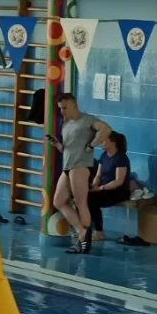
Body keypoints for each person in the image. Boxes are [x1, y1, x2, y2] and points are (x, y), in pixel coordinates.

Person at [50, 93, 112, 254]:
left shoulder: (88, 120)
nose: (62, 111)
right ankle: (81, 230)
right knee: (58, 201)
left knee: (80, 202)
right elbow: (66, 147)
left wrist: (92, 145)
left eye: (64, 108)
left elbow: (106, 129)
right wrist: (57, 145)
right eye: (60, 108)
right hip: (68, 165)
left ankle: (84, 239)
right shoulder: (66, 124)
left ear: (74, 105)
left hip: (81, 166)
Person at [88, 131, 132, 241]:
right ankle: (89, 228)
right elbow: (98, 175)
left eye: (104, 140)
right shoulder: (104, 156)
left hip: (118, 192)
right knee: (85, 194)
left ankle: (99, 232)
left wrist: (100, 188)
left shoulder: (121, 158)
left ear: (113, 142)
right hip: (105, 189)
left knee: (92, 199)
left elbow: (118, 181)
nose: (101, 142)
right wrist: (93, 186)